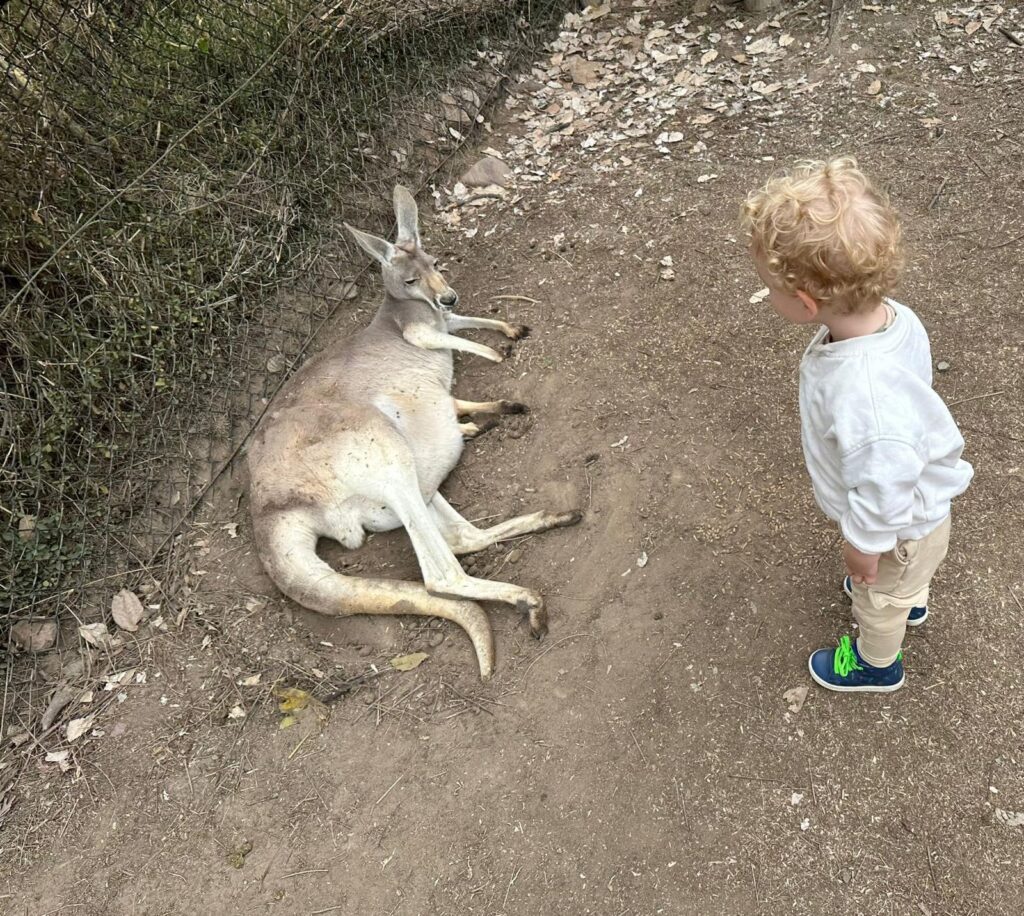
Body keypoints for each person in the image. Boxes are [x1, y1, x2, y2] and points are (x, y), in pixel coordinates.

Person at [740, 156, 973, 692]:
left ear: (804, 304)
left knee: (875, 598)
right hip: (916, 515)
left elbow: (884, 482)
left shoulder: (863, 397)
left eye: (770, 288)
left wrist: (864, 545)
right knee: (897, 586)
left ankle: (876, 662)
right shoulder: (894, 316)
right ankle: (908, 597)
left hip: (899, 531)